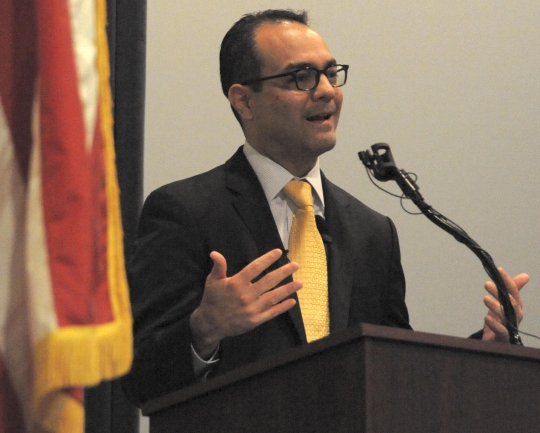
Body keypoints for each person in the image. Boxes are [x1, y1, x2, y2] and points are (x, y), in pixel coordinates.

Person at [122, 9, 528, 405]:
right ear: (244, 100)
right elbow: (139, 380)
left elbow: (394, 371)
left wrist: (486, 347)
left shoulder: (372, 233)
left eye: (331, 74)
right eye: (301, 77)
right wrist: (204, 329)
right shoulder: (185, 212)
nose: (327, 91)